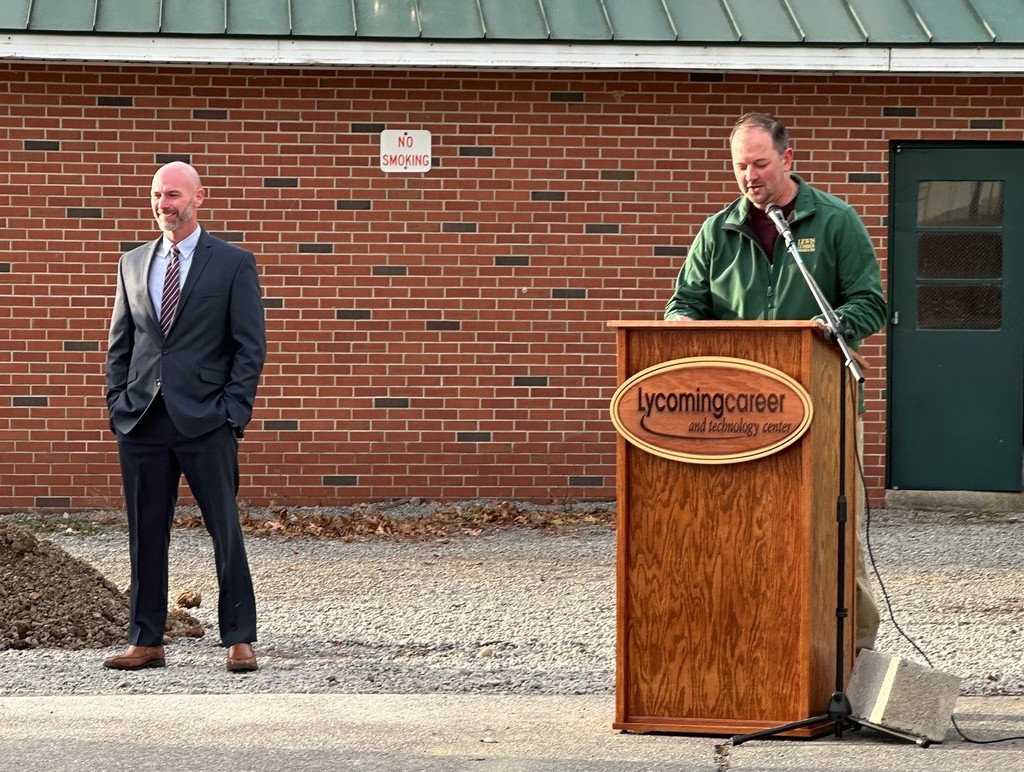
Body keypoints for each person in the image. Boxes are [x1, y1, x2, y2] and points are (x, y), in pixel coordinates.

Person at [664, 112, 886, 652]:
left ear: (788, 159)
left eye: (760, 163)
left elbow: (870, 302)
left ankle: (850, 659)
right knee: (740, 535)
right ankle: (754, 653)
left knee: (833, 538)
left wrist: (832, 327)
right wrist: (681, 327)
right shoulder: (717, 232)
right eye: (740, 165)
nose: (749, 175)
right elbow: (683, 304)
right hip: (735, 414)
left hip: (823, 404)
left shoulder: (834, 221)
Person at [103, 161, 267, 672]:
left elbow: (249, 347)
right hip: (142, 420)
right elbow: (120, 345)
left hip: (206, 420)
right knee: (145, 532)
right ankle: (146, 639)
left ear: (199, 198)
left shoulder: (233, 263)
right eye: (156, 195)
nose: (163, 204)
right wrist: (117, 404)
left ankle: (239, 638)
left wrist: (232, 415)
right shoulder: (132, 263)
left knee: (224, 528)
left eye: (173, 194)